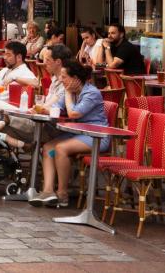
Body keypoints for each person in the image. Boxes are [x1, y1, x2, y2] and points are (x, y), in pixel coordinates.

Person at [29, 60, 107, 208]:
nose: (60, 79)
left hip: (96, 135)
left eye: (64, 77)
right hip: (76, 133)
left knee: (61, 148)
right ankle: (47, 191)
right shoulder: (71, 92)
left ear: (76, 78)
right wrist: (40, 109)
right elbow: (55, 109)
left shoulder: (91, 92)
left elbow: (73, 113)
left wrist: (67, 93)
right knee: (48, 148)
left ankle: (62, 194)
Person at [0, 44, 72, 145]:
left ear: (58, 62)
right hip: (39, 121)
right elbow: (44, 106)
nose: (44, 63)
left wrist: (37, 109)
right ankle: (21, 145)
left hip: (47, 127)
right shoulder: (55, 79)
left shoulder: (66, 84)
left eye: (47, 60)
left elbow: (47, 107)